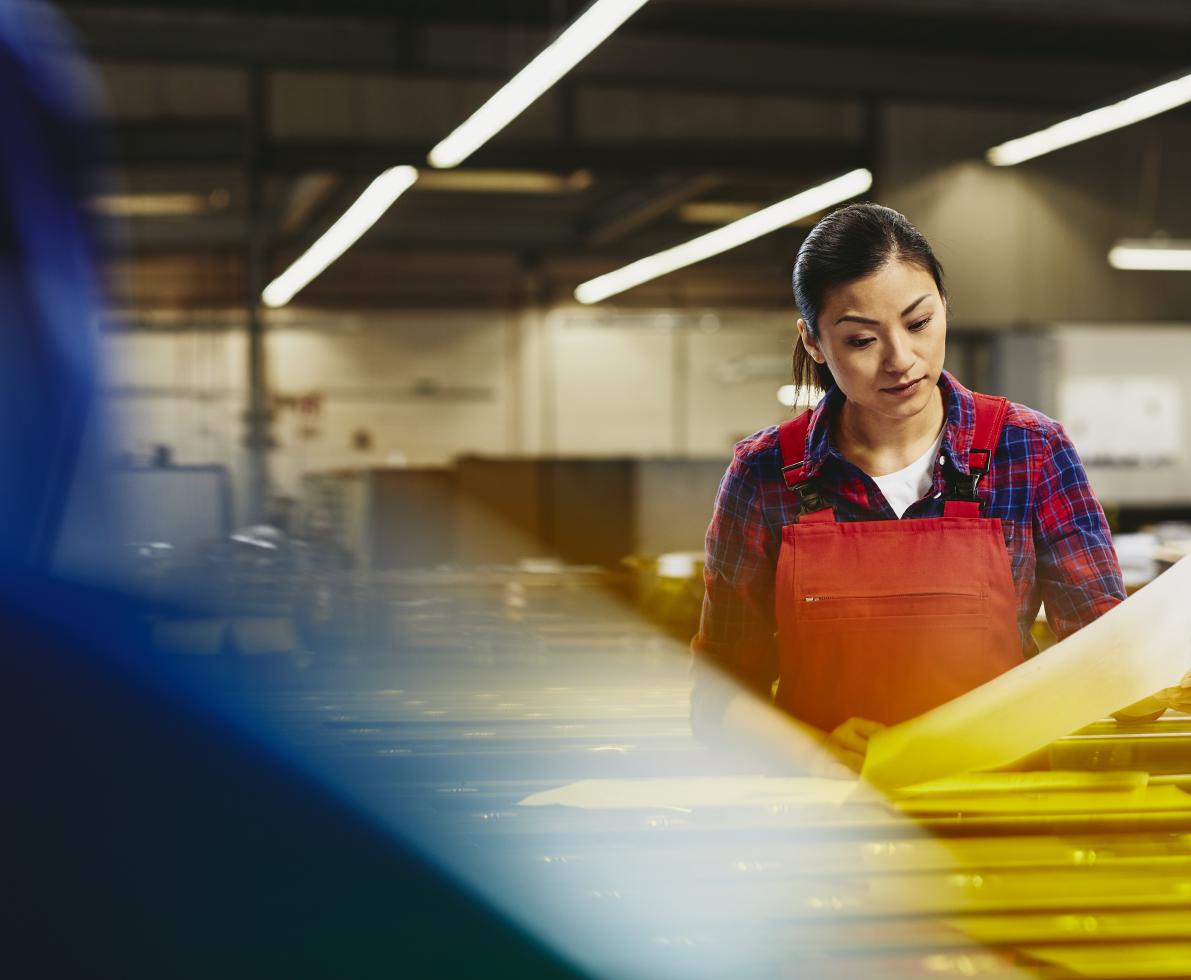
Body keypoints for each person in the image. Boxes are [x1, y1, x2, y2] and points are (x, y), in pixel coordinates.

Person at [690, 202, 1148, 778]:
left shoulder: (1030, 451)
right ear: (812, 342)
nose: (901, 360)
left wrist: (1157, 674)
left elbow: (1107, 655)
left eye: (919, 323)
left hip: (1002, 813)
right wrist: (811, 752)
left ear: (944, 308)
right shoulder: (764, 475)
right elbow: (717, 697)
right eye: (861, 340)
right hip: (830, 820)